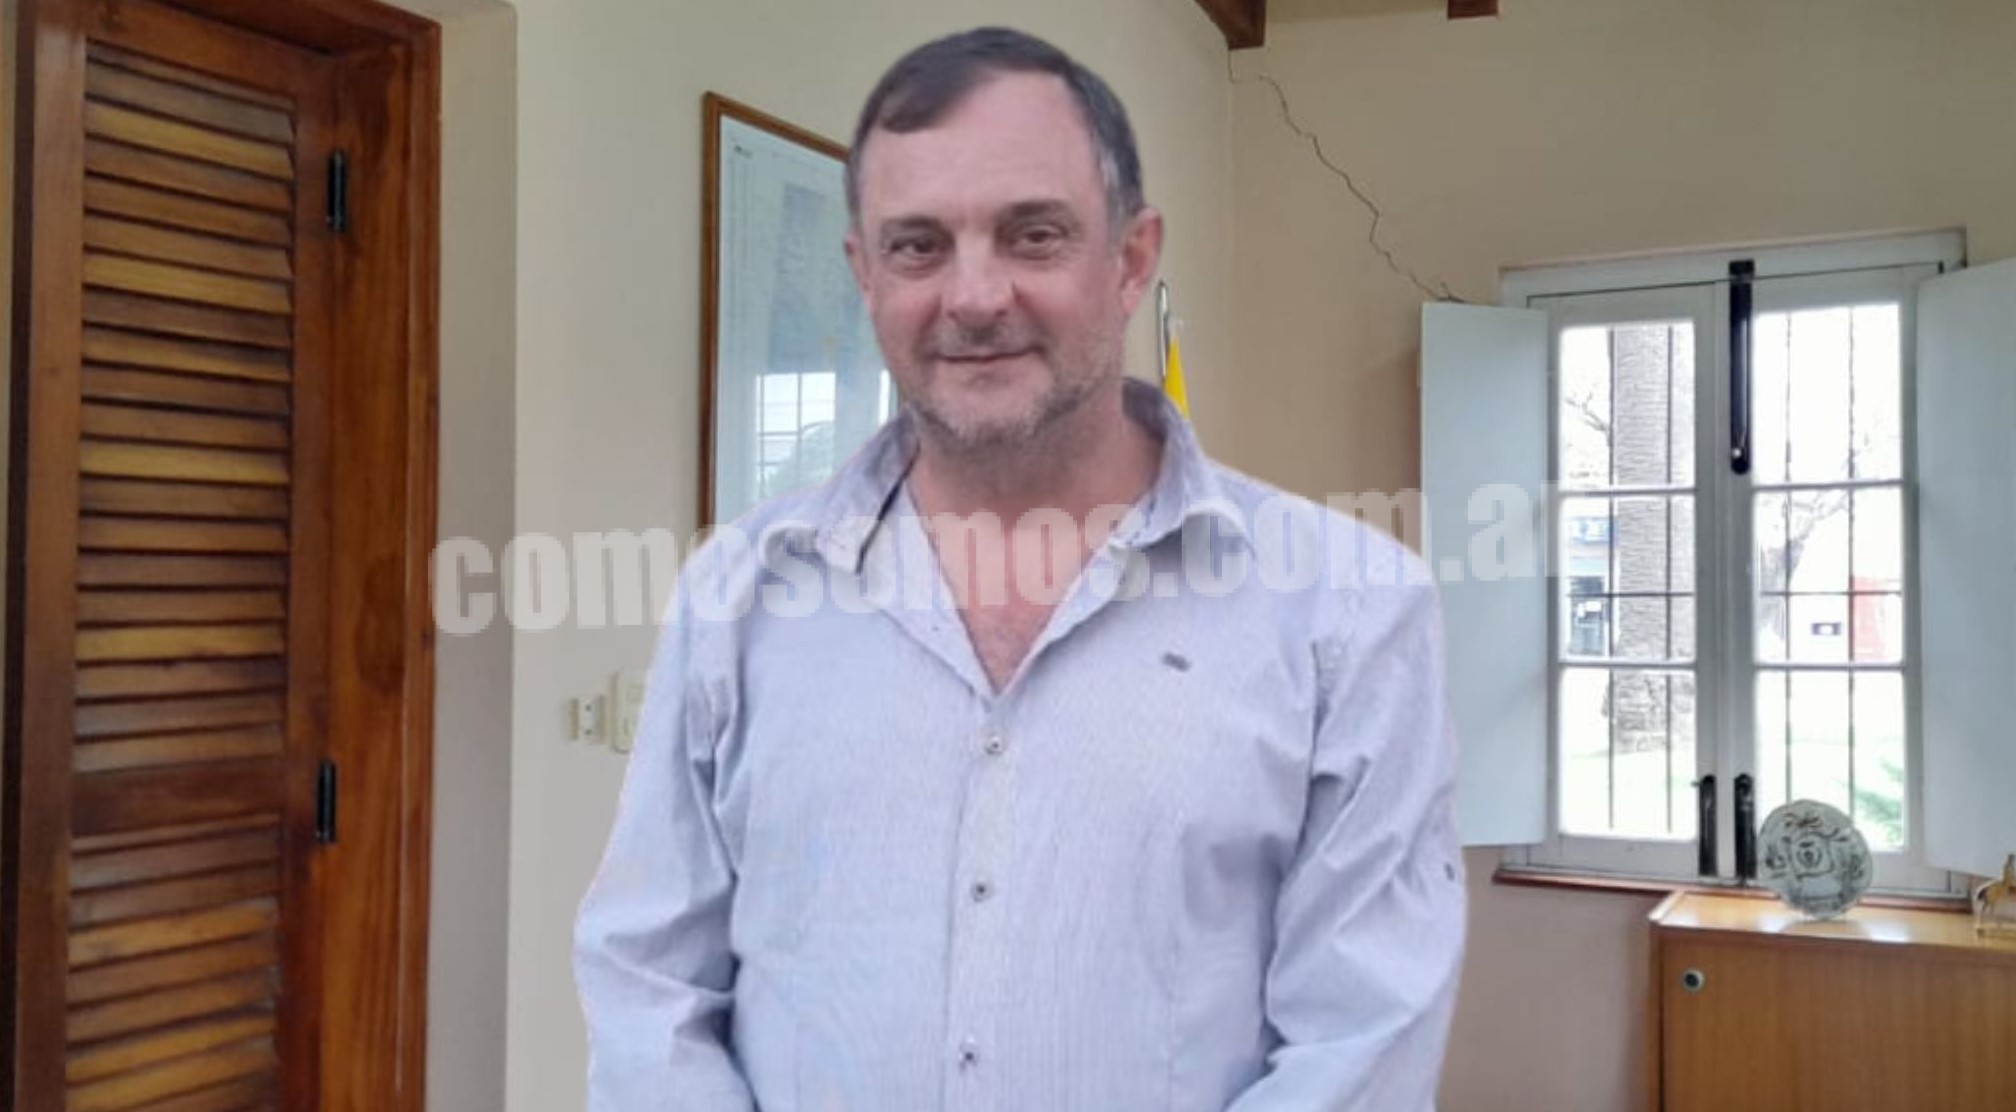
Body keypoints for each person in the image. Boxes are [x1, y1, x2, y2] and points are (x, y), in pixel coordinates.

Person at [574, 26, 1466, 1111]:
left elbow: (1363, 1044)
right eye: (917, 246)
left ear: (1131, 258)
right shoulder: (735, 597)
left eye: (1032, 235)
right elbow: (648, 985)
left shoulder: (1350, 612)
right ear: (865, 275)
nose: (974, 295)